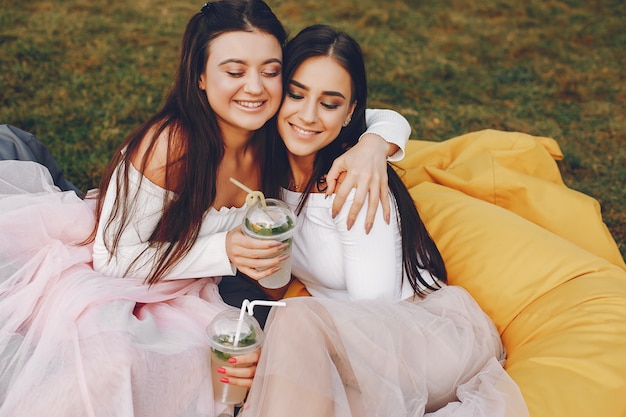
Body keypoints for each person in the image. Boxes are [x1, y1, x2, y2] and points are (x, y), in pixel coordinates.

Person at [0, 2, 410, 416]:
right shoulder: (171, 146)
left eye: (271, 72)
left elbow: (361, 111)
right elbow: (110, 257)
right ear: (200, 75)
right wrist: (226, 249)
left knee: (222, 367)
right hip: (125, 272)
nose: (255, 88)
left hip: (201, 288)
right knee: (116, 362)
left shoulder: (275, 126)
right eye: (234, 72)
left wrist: (375, 145)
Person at [242, 25, 530, 416]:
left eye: (329, 104)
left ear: (349, 113)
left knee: (291, 326)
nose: (307, 115)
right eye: (296, 94)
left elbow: (376, 319)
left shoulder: (354, 186)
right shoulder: (266, 172)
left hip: (420, 343)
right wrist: (377, 139)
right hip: (341, 336)